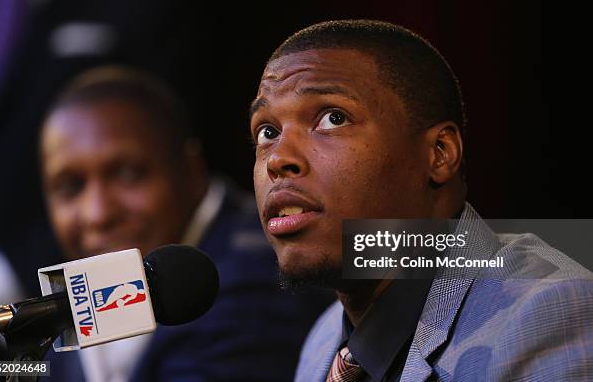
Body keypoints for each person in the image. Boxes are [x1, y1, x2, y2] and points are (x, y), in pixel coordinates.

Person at [249, 20, 593, 381]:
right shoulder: (322, 342)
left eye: (333, 118)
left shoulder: (546, 315)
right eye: (267, 132)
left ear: (439, 154)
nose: (277, 159)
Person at [38, 66, 333, 382]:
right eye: (70, 187)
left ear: (191, 172)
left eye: (127, 174)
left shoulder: (258, 281)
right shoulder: (91, 281)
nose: (98, 214)